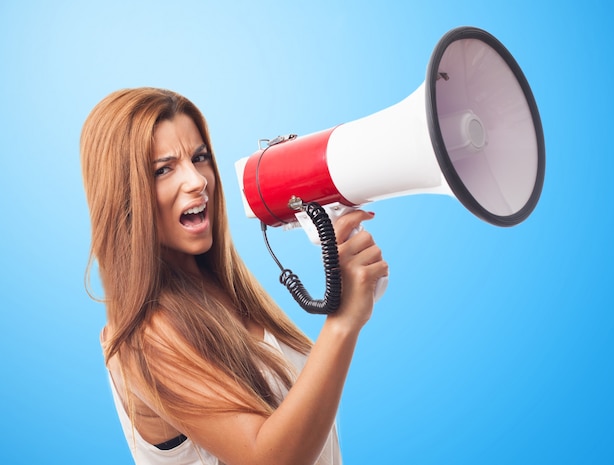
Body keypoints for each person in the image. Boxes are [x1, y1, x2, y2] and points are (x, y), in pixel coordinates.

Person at [80, 87, 388, 465]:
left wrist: (353, 285)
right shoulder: (143, 337)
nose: (197, 181)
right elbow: (269, 458)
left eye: (200, 157)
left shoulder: (229, 292)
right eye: (163, 169)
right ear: (123, 195)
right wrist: (342, 324)